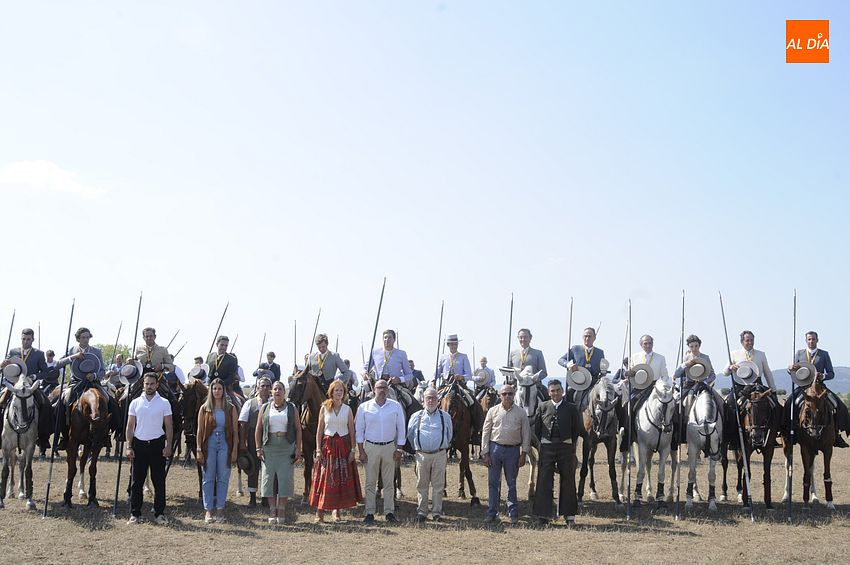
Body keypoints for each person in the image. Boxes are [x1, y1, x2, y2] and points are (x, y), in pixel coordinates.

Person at [309, 379, 362, 523]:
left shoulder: (347, 409)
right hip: (328, 447)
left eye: (341, 390)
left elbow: (352, 431)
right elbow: (319, 430)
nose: (339, 392)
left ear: (344, 393)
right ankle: (319, 512)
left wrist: (353, 450)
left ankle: (336, 511)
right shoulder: (324, 407)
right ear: (331, 392)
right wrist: (318, 449)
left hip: (343, 446)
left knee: (340, 478)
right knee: (324, 478)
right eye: (336, 390)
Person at [355, 378, 406, 524]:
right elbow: (359, 430)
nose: (382, 390)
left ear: (388, 390)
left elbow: (401, 428)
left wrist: (399, 449)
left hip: (389, 447)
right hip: (371, 447)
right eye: (379, 387)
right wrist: (361, 451)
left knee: (389, 482)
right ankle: (369, 512)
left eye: (384, 387)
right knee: (370, 482)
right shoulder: (364, 407)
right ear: (374, 390)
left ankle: (389, 512)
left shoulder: (395, 406)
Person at [126, 373, 173, 525]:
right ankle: (135, 514)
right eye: (147, 384)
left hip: (157, 444)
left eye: (152, 384)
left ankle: (159, 513)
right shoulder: (135, 403)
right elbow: (130, 426)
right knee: (137, 482)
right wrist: (129, 446)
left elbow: (169, 426)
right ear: (143, 384)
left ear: (157, 385)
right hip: (139, 445)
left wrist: (168, 445)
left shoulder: (164, 403)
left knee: (159, 482)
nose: (149, 386)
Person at [787, 331, 850, 448]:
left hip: (819, 386)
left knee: (837, 404)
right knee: (790, 403)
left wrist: (823, 376)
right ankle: (790, 431)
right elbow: (792, 370)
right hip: (803, 387)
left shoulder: (824, 354)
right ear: (806, 340)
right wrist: (789, 368)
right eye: (809, 339)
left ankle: (836, 434)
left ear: (817, 340)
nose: (811, 341)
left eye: (813, 339)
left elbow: (831, 373)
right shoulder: (799, 353)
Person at [533, 379, 582, 526]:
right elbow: (537, 428)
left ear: (562, 391)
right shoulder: (542, 407)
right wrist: (544, 442)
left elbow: (576, 429)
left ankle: (569, 515)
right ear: (549, 393)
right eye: (552, 391)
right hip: (547, 447)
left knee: (568, 479)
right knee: (544, 479)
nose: (555, 393)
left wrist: (569, 443)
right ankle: (543, 515)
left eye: (558, 390)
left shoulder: (571, 408)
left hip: (565, 447)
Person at [481, 383, 530, 524]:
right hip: (495, 449)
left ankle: (513, 511)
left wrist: (524, 453)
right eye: (504, 394)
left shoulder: (521, 413)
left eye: (510, 393)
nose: (507, 396)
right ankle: (492, 512)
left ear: (514, 395)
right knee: (493, 483)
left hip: (513, 451)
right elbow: (486, 432)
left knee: (511, 483)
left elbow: (526, 434)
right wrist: (485, 453)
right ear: (500, 395)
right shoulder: (493, 411)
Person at [255, 380, 303, 524]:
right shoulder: (265, 407)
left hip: (286, 446)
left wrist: (298, 448)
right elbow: (258, 429)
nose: (277, 391)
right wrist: (258, 448)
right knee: (268, 478)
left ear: (284, 392)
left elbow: (298, 429)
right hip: (269, 447)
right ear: (271, 391)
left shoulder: (291, 407)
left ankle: (281, 508)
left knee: (285, 479)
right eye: (275, 389)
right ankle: (272, 509)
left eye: (280, 389)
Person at [54, 327, 107, 450]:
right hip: (76, 383)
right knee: (61, 402)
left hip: (93, 382)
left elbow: (103, 371)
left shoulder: (96, 351)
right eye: (83, 337)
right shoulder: (71, 350)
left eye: (88, 337)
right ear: (78, 339)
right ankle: (63, 434)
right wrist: (72, 357)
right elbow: (58, 364)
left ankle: (106, 435)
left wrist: (94, 375)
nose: (86, 340)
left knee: (109, 400)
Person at [407, 386, 452, 523]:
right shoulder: (416, 416)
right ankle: (422, 512)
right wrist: (418, 447)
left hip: (439, 454)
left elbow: (449, 434)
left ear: (438, 400)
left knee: (438, 485)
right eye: (428, 398)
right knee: (422, 484)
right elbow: (410, 435)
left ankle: (436, 512)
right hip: (422, 455)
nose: (431, 400)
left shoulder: (445, 416)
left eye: (433, 398)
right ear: (423, 399)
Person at [197, 378, 239, 523]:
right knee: (208, 477)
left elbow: (235, 431)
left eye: (219, 388)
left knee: (223, 477)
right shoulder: (204, 408)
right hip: (209, 444)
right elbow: (199, 430)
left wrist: (234, 450)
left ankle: (220, 509)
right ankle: (208, 510)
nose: (217, 391)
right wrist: (199, 449)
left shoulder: (231, 408)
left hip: (225, 444)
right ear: (211, 390)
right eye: (214, 388)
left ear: (223, 390)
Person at [434, 334, 483, 433]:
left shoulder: (463, 356)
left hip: (460, 385)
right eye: (452, 344)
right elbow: (437, 372)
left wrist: (462, 377)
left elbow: (469, 374)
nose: (454, 346)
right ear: (448, 345)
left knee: (473, 402)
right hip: (445, 384)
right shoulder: (443, 357)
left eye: (455, 344)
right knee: (433, 400)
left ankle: (476, 429)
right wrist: (432, 381)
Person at [238, 375, 272, 508]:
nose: (265, 388)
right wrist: (243, 441)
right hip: (253, 438)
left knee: (268, 469)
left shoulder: (275, 403)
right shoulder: (249, 403)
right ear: (257, 388)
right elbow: (243, 423)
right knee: (253, 467)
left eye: (268, 386)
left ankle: (265, 497)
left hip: (270, 439)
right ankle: (252, 498)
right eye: (262, 386)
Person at [559, 327, 605, 403]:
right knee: (567, 396)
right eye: (585, 336)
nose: (587, 338)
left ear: (594, 338)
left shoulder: (600, 352)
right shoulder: (575, 349)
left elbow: (602, 368)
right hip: (578, 382)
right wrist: (569, 365)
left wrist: (604, 371)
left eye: (589, 336)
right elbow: (561, 360)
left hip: (593, 383)